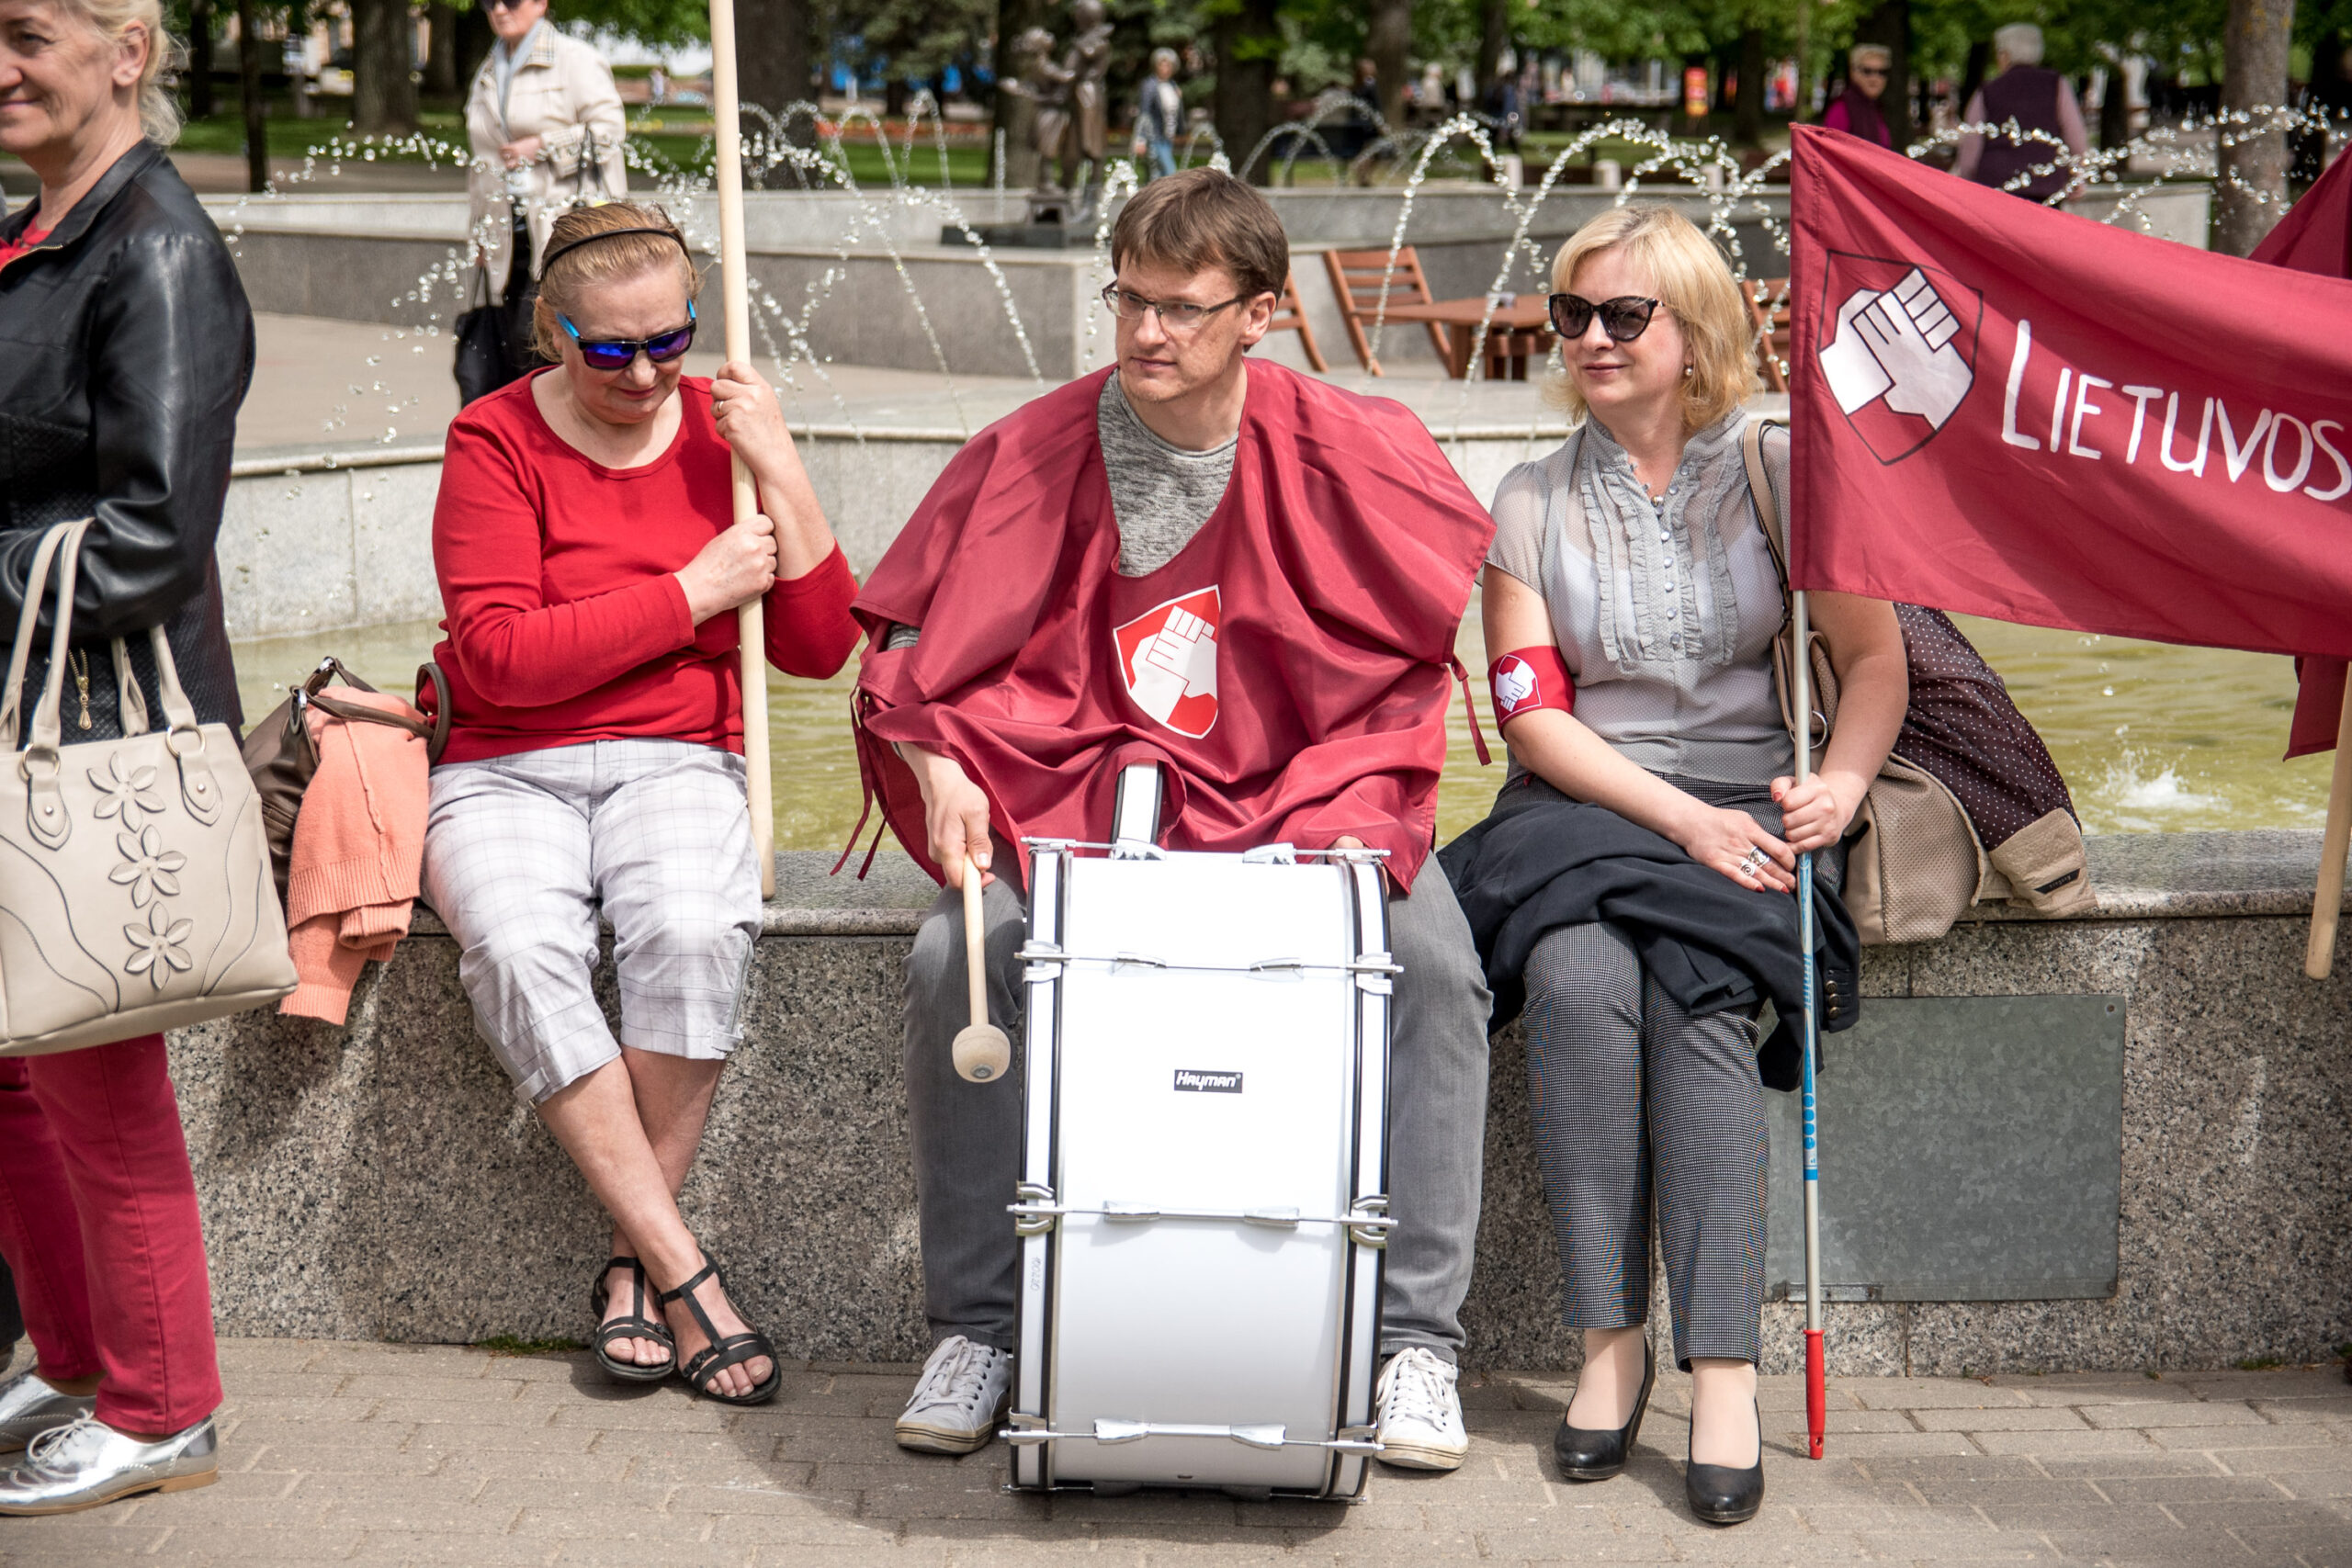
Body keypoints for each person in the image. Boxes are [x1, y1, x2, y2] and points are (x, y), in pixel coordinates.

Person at [853, 168, 1498, 1472]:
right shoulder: (1029, 449)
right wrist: (937, 765)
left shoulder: (1351, 446)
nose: (1147, 332)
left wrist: (1350, 802)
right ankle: (979, 1327)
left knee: (1434, 968)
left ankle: (1414, 1344)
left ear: (1259, 312)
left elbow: (1406, 658)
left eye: (1182, 308)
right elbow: (908, 645)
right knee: (952, 959)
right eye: (1129, 300)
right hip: (1068, 780)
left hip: (1301, 778)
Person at [1437, 206, 1906, 1526]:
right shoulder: (1529, 498)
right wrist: (1679, 821)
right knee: (1575, 985)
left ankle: (1724, 1368)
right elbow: (1532, 717)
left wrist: (1840, 786)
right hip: (1583, 804)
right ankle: (1608, 1344)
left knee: (1698, 1008)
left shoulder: (1786, 472)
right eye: (1571, 313)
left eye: (1622, 314)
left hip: (1755, 804)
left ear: (1693, 332)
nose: (1589, 336)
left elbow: (1875, 663)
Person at [423, 202, 860, 1405]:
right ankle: (680, 1269)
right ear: (551, 331)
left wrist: (779, 464)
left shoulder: (725, 426)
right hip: (504, 759)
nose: (646, 372)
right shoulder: (492, 438)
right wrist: (690, 594)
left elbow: (820, 648)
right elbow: (501, 658)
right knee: (517, 945)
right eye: (610, 348)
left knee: (690, 927)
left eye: (671, 339)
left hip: (678, 753)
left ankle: (632, 1261)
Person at [0, 0, 254, 1513]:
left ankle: (165, 1407)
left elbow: (151, 543)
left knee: (96, 1082)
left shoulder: (155, 250)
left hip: (92, 738)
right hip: (26, 716)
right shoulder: (36, 234)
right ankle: (78, 1355)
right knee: (15, 1073)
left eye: (27, 32)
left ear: (128, 51)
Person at [460, 0, 626, 401]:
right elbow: (482, 165)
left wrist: (544, 145)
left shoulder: (575, 59)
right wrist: (479, 233)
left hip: (563, 229)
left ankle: (557, 428)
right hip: (508, 234)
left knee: (540, 344)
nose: (499, 10)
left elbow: (609, 131)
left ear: (540, 3)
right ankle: (518, 431)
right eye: (489, 1)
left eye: (511, 1)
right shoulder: (488, 69)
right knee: (509, 347)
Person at [1952, 24, 2087, 201]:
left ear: (2005, 55)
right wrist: (2078, 175)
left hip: (1996, 186)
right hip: (2046, 183)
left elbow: (1971, 145)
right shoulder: (2056, 84)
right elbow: (2075, 134)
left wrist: (1966, 180)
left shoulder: (1987, 91)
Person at [1823, 44, 1894, 148]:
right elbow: (1830, 151)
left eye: (1882, 72)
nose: (1875, 78)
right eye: (1867, 71)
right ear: (1853, 72)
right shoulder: (1841, 109)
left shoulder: (1876, 109)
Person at [1132, 47, 1182, 181]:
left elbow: (1175, 113)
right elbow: (1145, 112)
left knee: (1157, 173)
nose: (1165, 69)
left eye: (1168, 65)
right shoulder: (1150, 85)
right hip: (1155, 136)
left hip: (1168, 136)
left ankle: (1154, 193)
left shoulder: (1173, 85)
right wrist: (1140, 139)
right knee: (1170, 171)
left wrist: (1179, 131)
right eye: (1162, 65)